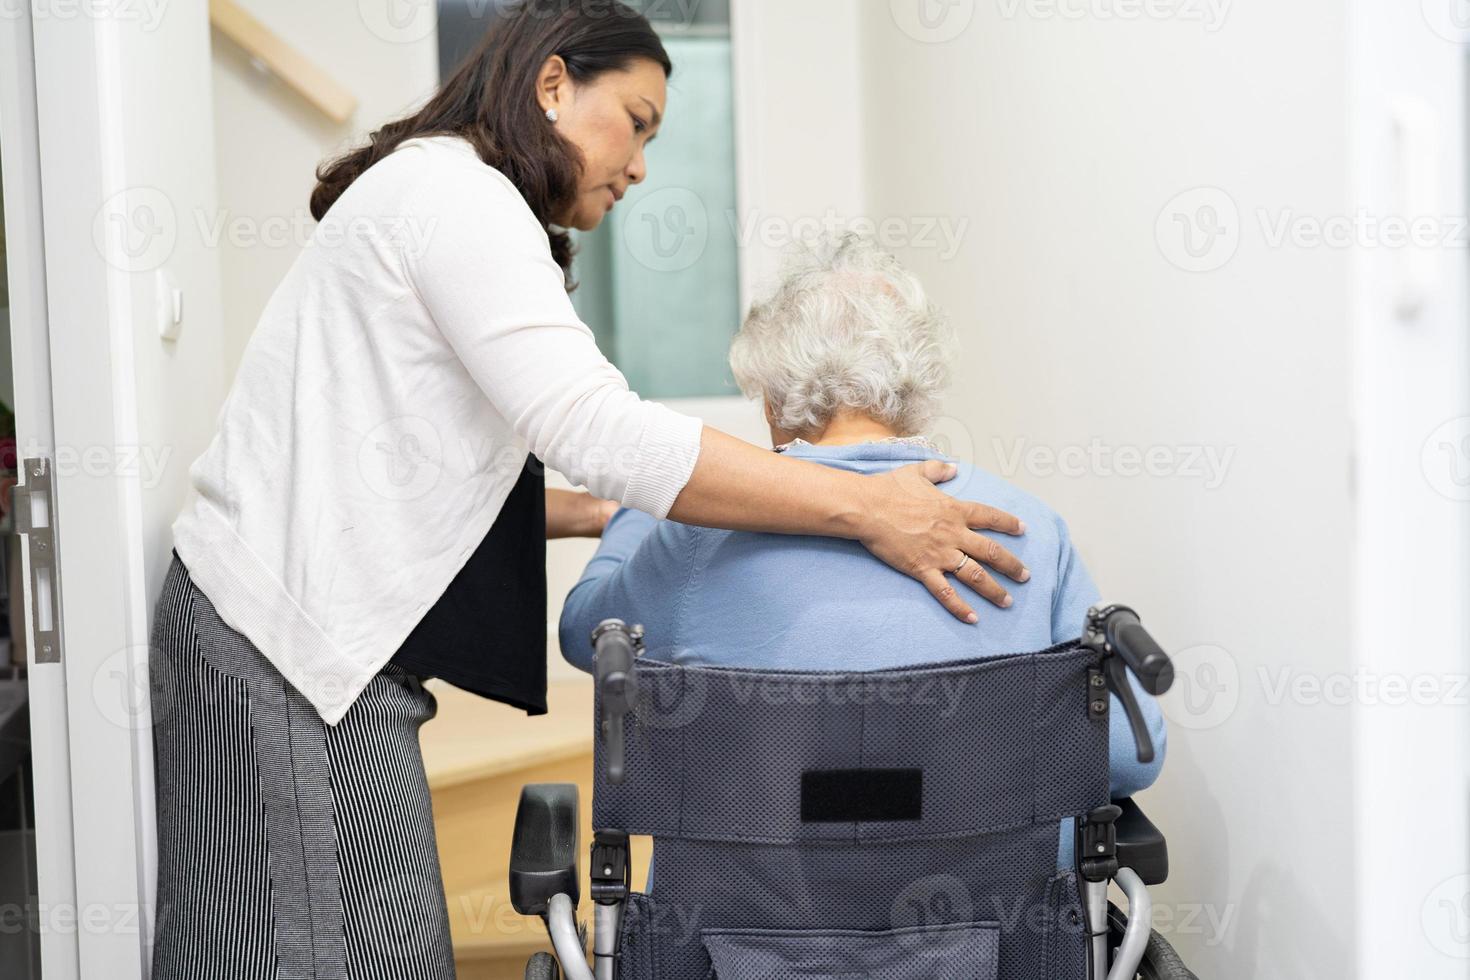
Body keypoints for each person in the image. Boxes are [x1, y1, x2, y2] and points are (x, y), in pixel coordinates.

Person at [148, 4, 1031, 978]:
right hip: (283, 639)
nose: (643, 163)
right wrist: (866, 505)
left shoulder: (448, 194)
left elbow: (426, 471)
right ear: (554, 84)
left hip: (297, 635)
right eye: (639, 120)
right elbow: (598, 428)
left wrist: (608, 517)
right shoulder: (461, 201)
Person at [560, 233, 1167, 870]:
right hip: (988, 945)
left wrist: (638, 504)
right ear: (918, 383)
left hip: (741, 945)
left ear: (771, 398)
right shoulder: (1028, 529)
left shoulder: (696, 540)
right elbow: (1132, 752)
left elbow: (584, 634)